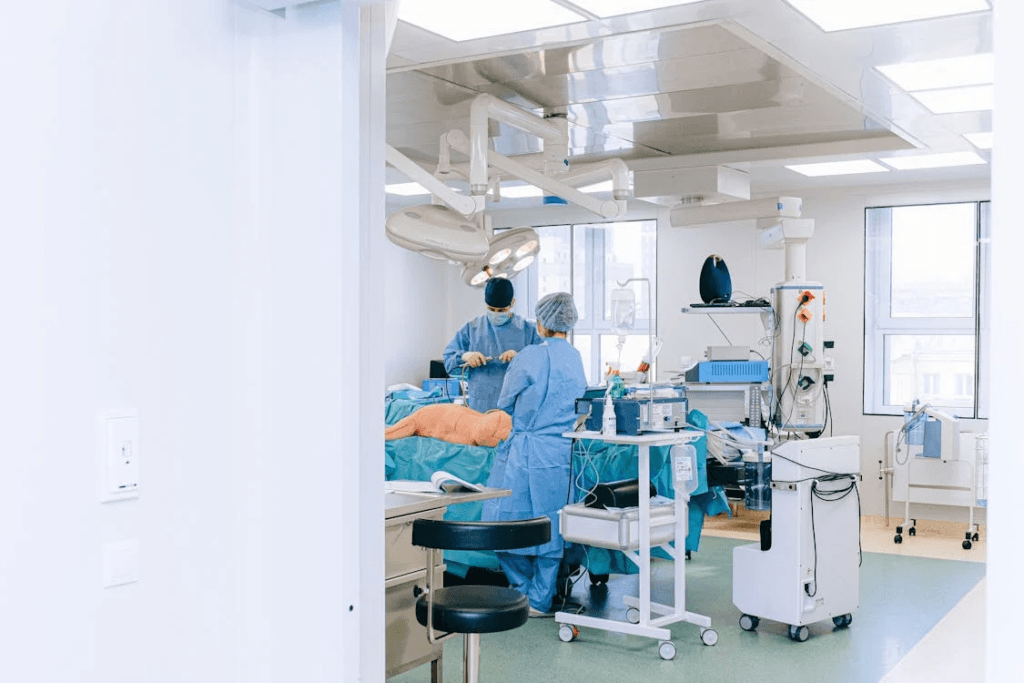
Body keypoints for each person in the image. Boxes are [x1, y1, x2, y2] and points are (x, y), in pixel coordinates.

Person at [481, 291, 588, 616]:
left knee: (500, 523)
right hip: (559, 453)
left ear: (541, 322)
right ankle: (540, 599)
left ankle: (522, 592)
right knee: (551, 527)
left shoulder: (528, 357)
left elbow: (504, 403)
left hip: (525, 452)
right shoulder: (575, 357)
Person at [442, 278, 542, 413]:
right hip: (481, 411)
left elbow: (545, 366)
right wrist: (465, 356)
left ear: (512, 303)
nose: (496, 313)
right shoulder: (472, 329)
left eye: (501, 310)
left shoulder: (528, 330)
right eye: (491, 309)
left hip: (518, 413)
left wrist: (521, 358)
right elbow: (449, 361)